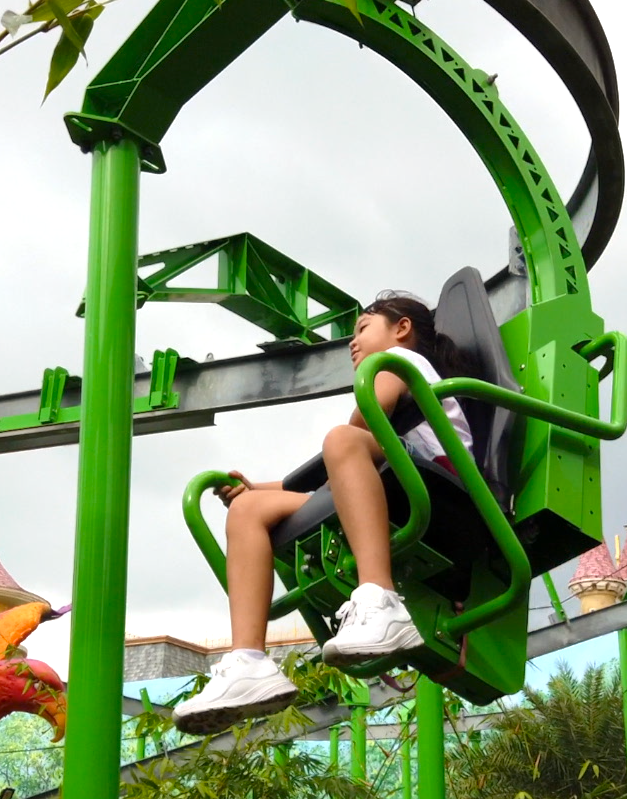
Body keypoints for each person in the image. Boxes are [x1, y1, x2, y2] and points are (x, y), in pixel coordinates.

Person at [173, 293, 473, 734]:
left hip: (441, 493)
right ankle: (249, 663)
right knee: (248, 510)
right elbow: (337, 471)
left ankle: (380, 599)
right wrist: (259, 488)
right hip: (395, 488)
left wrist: (340, 449)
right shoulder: (380, 380)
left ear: (401, 329)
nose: (352, 343)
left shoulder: (397, 362)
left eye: (362, 328)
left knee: (341, 440)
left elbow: (353, 438)